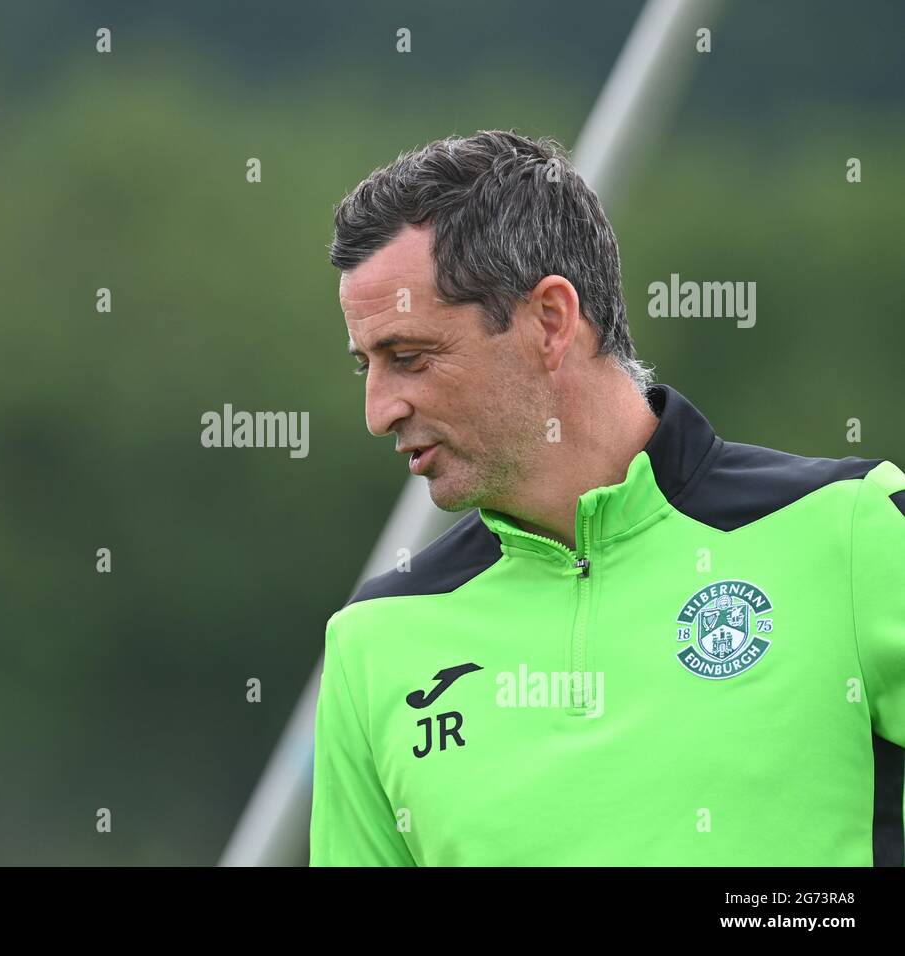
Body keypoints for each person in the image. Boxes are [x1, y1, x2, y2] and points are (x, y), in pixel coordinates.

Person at [310, 131, 905, 865]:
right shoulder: (374, 639)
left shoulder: (853, 529)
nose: (378, 412)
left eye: (408, 358)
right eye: (365, 366)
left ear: (550, 321)